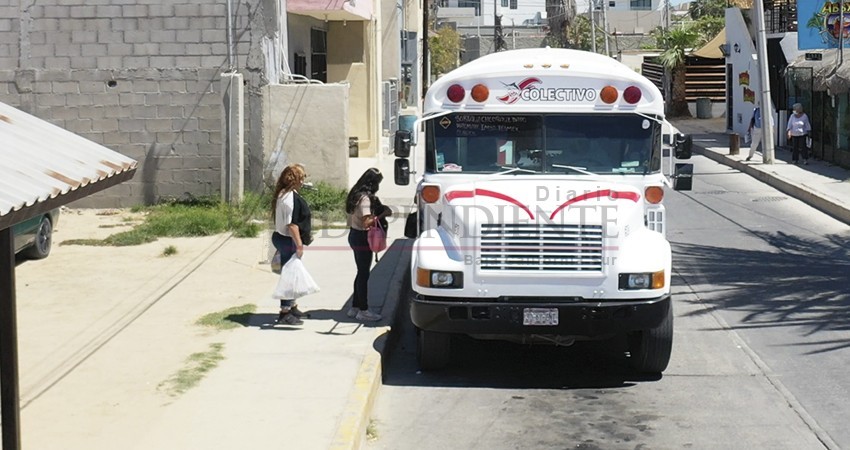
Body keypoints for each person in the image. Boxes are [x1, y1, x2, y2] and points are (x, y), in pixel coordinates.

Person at [345, 168, 392, 322]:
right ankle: (363, 310)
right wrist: (383, 214)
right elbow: (367, 222)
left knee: (360, 272)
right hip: (362, 238)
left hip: (353, 235)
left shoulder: (355, 195)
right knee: (364, 274)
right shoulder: (365, 199)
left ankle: (355, 306)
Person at [270, 163, 312, 326]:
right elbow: (292, 225)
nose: (303, 181)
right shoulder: (288, 199)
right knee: (289, 277)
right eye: (302, 178)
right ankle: (284, 312)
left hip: (285, 239)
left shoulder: (286, 193)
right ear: (295, 180)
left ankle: (292, 306)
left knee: (293, 274)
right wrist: (299, 244)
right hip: (288, 241)